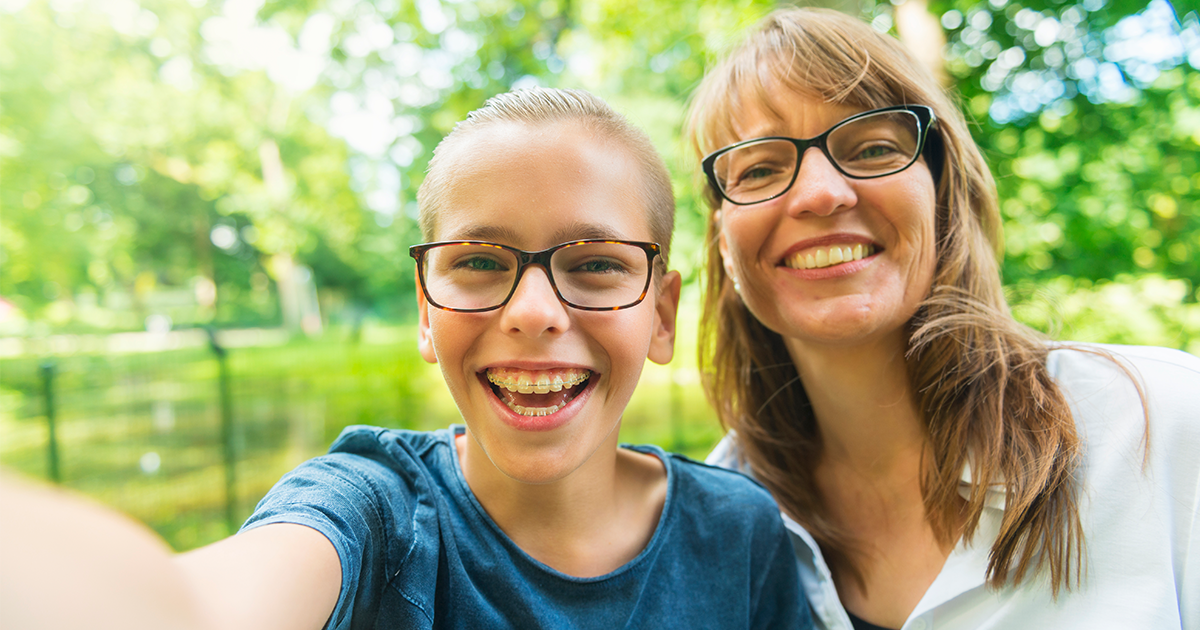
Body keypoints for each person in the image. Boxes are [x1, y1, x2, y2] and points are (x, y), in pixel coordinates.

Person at [0, 88, 810, 630]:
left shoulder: (740, 533)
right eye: (481, 263)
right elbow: (200, 608)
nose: (533, 313)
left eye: (596, 263)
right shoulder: (375, 512)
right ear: (426, 310)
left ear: (661, 313)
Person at [686, 8, 1198, 630]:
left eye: (873, 147)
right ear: (722, 243)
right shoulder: (709, 529)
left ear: (943, 194)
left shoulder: (1160, 427)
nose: (821, 193)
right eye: (761, 169)